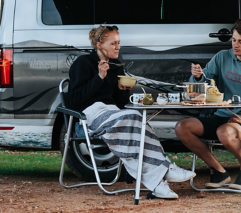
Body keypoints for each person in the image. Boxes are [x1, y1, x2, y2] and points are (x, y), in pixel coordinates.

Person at [67, 24, 195, 199]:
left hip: (113, 113)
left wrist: (123, 89)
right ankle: (165, 170)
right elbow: (75, 99)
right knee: (136, 118)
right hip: (90, 116)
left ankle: (159, 182)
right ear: (99, 44)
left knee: (138, 120)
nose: (118, 47)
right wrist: (99, 77)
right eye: (113, 43)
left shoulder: (116, 66)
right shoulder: (83, 63)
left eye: (119, 42)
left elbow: (119, 104)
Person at [174, 18, 241, 191]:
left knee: (224, 132)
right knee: (182, 127)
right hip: (222, 116)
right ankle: (219, 172)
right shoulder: (222, 57)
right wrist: (197, 77)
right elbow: (201, 87)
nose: (235, 45)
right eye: (233, 40)